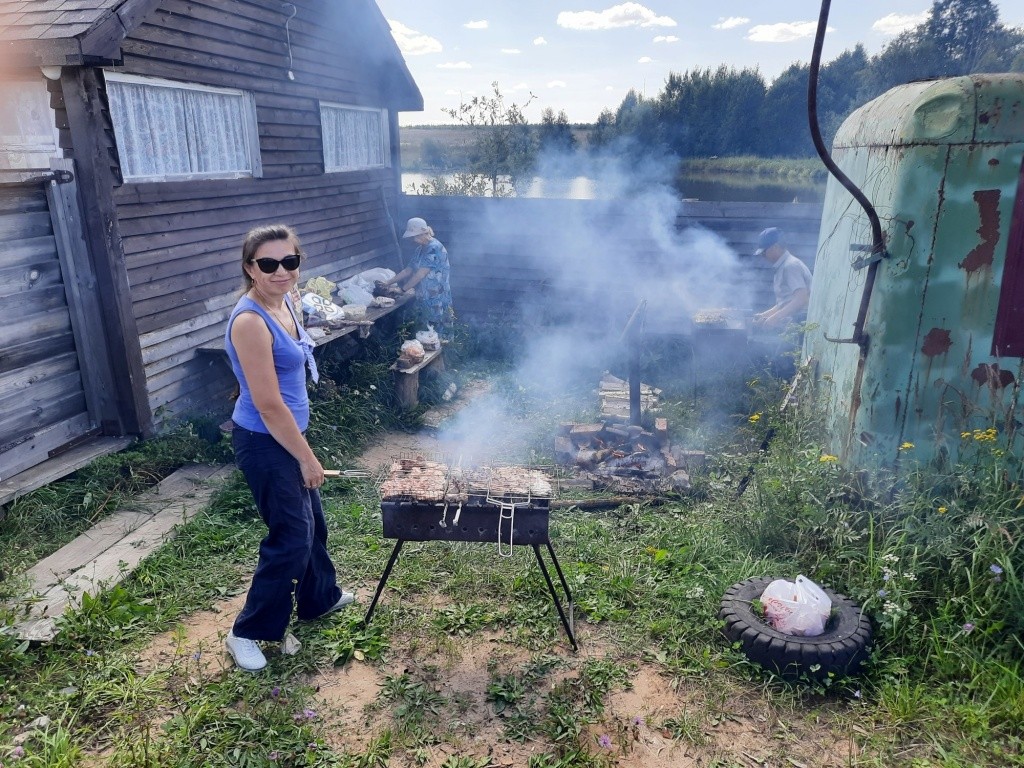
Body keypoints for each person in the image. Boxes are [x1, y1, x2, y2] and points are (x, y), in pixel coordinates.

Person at [223, 223, 353, 671]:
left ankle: (320, 599)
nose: (282, 271)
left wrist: (300, 445)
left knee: (313, 524)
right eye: (269, 264)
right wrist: (307, 456)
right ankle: (247, 630)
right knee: (290, 538)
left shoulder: (285, 303)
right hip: (265, 443)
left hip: (286, 437)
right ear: (250, 269)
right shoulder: (249, 322)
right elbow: (268, 404)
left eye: (290, 261)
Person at [383, 217, 454, 338]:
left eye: (415, 236)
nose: (413, 240)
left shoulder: (434, 248)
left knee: (438, 332)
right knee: (428, 332)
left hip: (437, 297)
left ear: (424, 233)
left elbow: (421, 274)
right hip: (425, 297)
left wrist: (403, 290)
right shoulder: (420, 250)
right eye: (412, 237)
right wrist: (387, 282)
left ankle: (445, 354)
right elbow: (408, 270)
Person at [751, 227, 812, 330]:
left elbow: (801, 299)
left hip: (802, 323)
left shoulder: (790, 266)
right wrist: (764, 315)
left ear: (775, 247)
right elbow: (785, 302)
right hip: (793, 323)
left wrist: (775, 318)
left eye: (764, 252)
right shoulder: (783, 266)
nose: (762, 255)